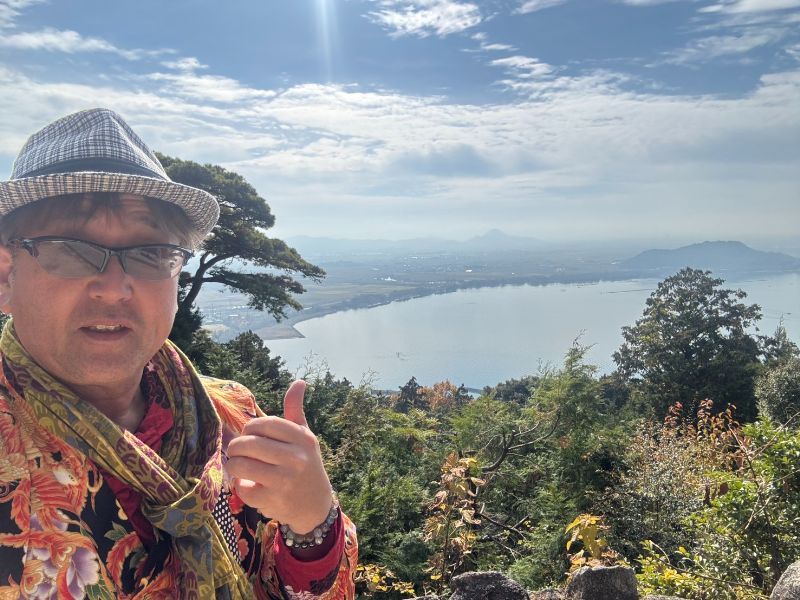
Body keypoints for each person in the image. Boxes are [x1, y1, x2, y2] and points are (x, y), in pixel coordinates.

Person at [0, 108, 357, 599]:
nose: (114, 287)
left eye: (149, 252)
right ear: (6, 276)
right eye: (70, 249)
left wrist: (312, 524)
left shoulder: (232, 417)